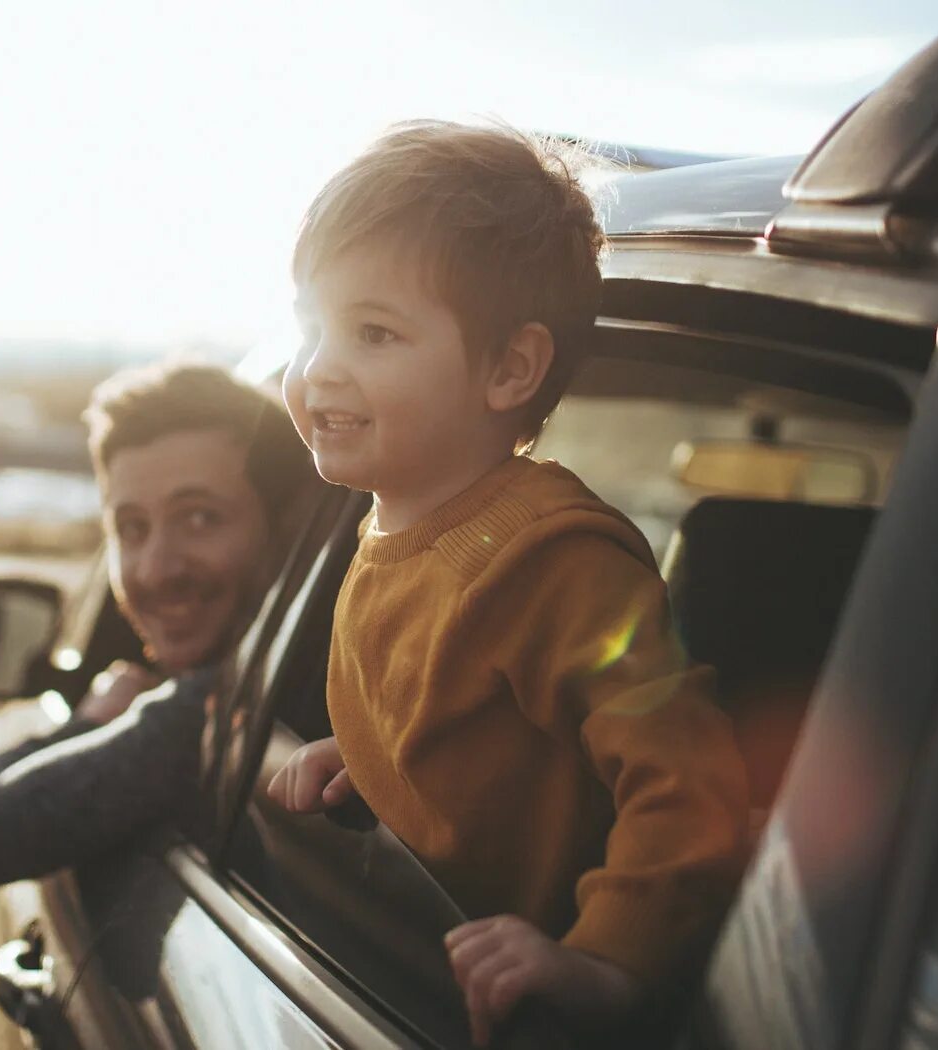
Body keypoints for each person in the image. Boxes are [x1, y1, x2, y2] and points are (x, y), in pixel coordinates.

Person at [264, 121, 749, 1045]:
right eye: (311, 325)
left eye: (372, 332)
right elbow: (477, 724)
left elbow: (690, 779)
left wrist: (606, 961)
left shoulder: (547, 560)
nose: (320, 365)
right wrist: (375, 757)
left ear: (509, 369)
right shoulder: (391, 522)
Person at [0, 361, 317, 896]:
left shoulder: (208, 714)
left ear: (285, 529)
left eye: (200, 518)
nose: (154, 569)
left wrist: (93, 722)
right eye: (131, 528)